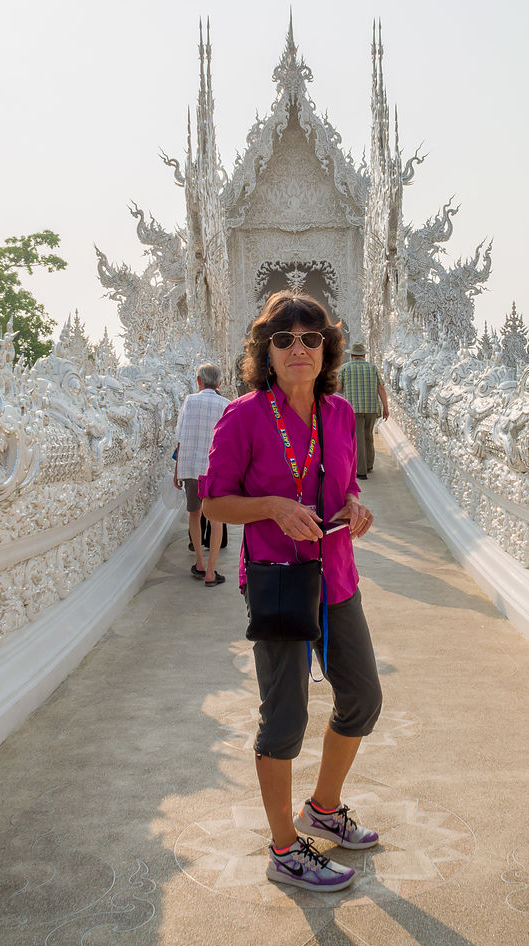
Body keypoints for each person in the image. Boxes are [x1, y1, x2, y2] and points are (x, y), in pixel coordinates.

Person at [201, 292, 383, 893]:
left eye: (311, 338)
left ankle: (323, 807)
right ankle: (284, 848)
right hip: (280, 581)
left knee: (361, 698)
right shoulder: (244, 415)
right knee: (284, 719)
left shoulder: (335, 414)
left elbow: (347, 481)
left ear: (326, 348)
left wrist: (354, 506)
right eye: (285, 339)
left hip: (335, 577)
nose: (299, 348)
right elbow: (214, 501)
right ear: (267, 351)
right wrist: (273, 508)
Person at [173, 362, 230, 586]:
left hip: (190, 467)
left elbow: (179, 435)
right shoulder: (226, 404)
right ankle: (211, 572)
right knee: (216, 519)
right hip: (215, 469)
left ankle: (199, 562)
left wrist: (177, 470)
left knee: (194, 514)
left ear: (198, 381)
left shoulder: (190, 401)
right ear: (220, 383)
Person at [337, 339, 388, 479]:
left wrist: (349, 390)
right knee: (368, 436)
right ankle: (369, 464)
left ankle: (361, 471)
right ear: (363, 356)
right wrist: (385, 408)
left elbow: (339, 388)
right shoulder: (372, 368)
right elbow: (381, 388)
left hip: (353, 408)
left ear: (352, 355)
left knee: (357, 438)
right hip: (371, 408)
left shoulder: (345, 368)